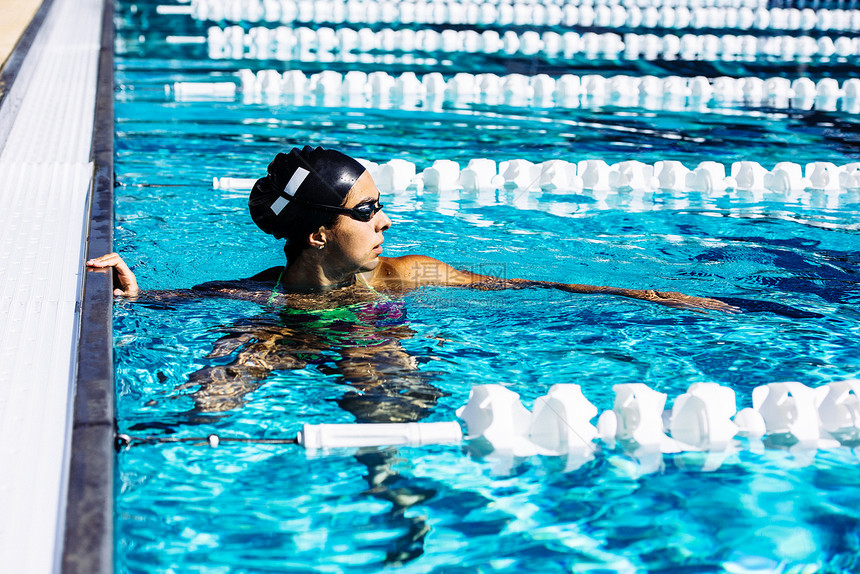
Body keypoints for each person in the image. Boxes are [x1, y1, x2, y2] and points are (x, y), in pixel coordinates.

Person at [87, 145, 740, 313]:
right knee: (224, 385)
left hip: (368, 332)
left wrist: (650, 297)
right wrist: (131, 294)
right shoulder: (260, 298)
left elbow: (528, 287)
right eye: (366, 210)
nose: (386, 219)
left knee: (380, 364)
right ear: (316, 233)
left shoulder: (409, 274)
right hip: (291, 333)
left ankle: (395, 489)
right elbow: (164, 303)